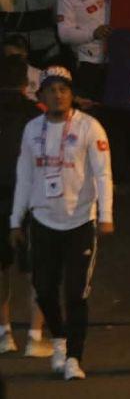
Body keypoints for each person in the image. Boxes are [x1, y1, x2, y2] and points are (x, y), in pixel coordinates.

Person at [8, 69, 113, 380]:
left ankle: (73, 359)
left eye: (63, 89)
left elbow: (103, 174)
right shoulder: (32, 130)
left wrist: (106, 215)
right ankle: (59, 340)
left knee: (76, 294)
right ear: (40, 96)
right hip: (43, 220)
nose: (58, 95)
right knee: (43, 289)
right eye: (51, 90)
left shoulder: (89, 127)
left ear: (72, 94)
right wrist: (16, 220)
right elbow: (25, 176)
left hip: (80, 221)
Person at [0, 56, 47, 357]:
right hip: (31, 200)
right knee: (38, 270)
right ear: (24, 83)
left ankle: (4, 333)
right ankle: (34, 335)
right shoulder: (37, 116)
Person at [56, 0, 110, 103]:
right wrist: (93, 33)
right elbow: (64, 34)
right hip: (89, 63)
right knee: (92, 108)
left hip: (118, 57)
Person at [2, 34, 43, 104]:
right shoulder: (3, 76)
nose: (9, 58)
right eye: (6, 55)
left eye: (12, 55)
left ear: (24, 53)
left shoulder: (40, 75)